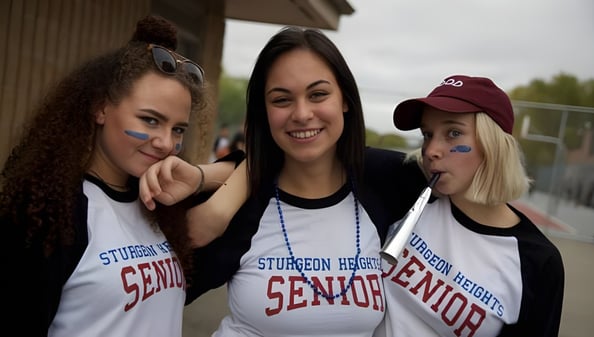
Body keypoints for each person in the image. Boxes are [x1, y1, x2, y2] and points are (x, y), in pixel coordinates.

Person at [172, 26, 427, 337]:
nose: (302, 113)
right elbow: (139, 301)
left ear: (345, 99)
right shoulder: (240, 204)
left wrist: (209, 174)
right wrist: (212, 194)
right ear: (263, 112)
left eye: (318, 94)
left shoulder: (388, 181)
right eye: (281, 100)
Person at [1, 15, 243, 336]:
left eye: (178, 128)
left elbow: (260, 167)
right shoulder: (46, 211)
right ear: (101, 108)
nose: (166, 143)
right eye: (150, 120)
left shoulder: (162, 206)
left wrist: (199, 177)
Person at [377, 75, 565, 336]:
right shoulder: (406, 186)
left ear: (493, 145)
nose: (431, 149)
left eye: (453, 133)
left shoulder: (536, 260)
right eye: (427, 134)